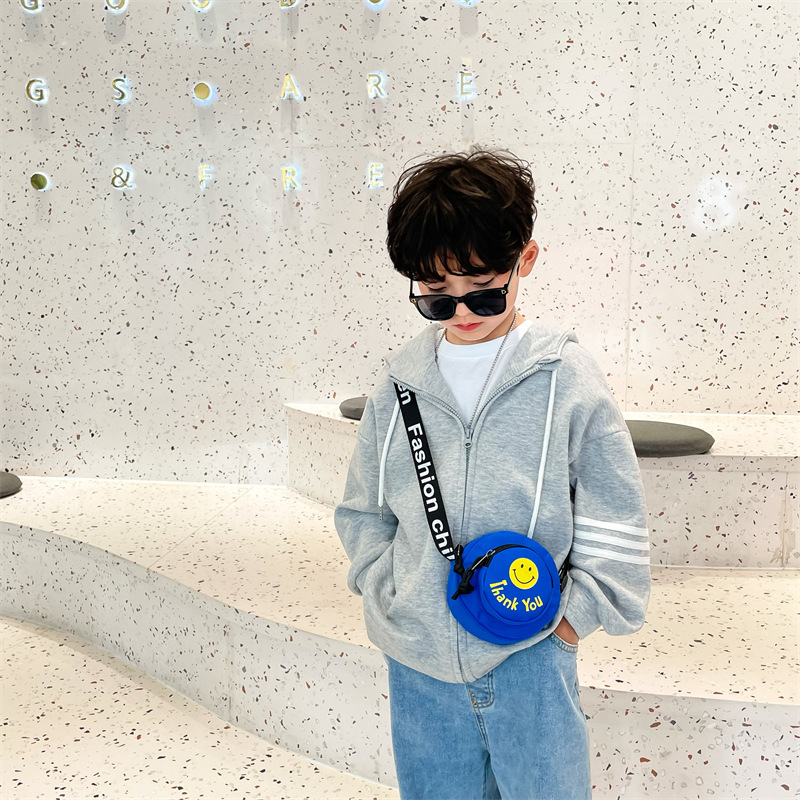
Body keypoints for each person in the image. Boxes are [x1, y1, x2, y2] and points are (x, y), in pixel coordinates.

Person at [334, 148, 650, 800]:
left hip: (529, 653)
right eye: (435, 297)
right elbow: (364, 509)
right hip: (418, 659)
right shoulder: (400, 383)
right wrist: (390, 591)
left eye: (482, 289)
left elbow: (614, 511)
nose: (462, 311)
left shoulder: (565, 377)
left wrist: (568, 624)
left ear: (524, 260)